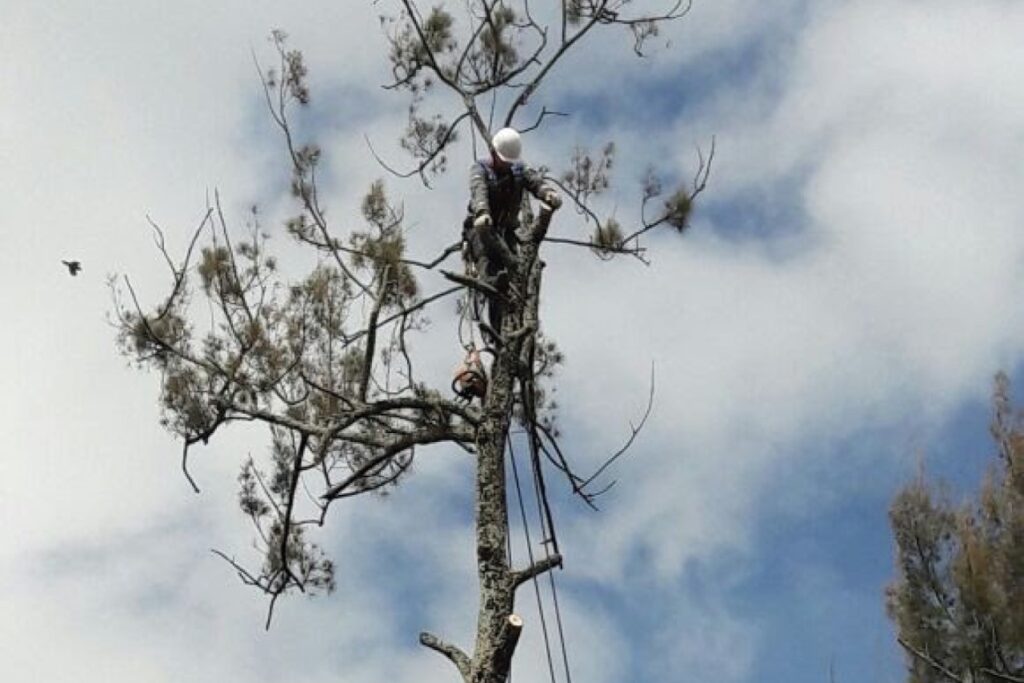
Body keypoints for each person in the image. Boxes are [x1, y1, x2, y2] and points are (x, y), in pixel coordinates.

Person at [463, 128, 561, 333]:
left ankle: (511, 319)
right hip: (481, 229)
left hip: (507, 232)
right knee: (486, 263)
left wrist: (547, 193)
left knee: (515, 276)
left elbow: (534, 182)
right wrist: (482, 212)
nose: (506, 164)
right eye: (503, 160)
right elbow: (478, 189)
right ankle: (495, 311)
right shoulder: (480, 169)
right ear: (493, 152)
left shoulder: (518, 169)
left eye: (509, 161)